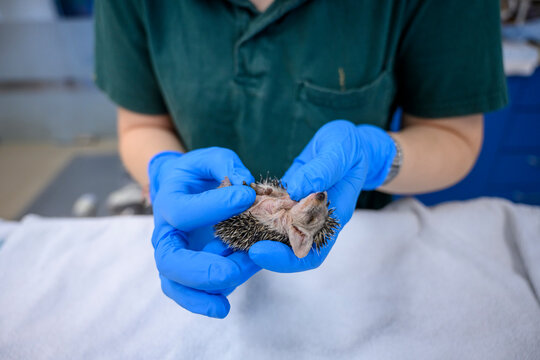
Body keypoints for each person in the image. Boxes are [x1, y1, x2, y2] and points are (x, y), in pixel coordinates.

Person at [94, 0, 507, 318]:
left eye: (309, 213)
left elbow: (455, 137)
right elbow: (138, 126)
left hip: (362, 261)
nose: (313, 202)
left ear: (300, 236)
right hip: (208, 233)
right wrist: (162, 169)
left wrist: (378, 157)